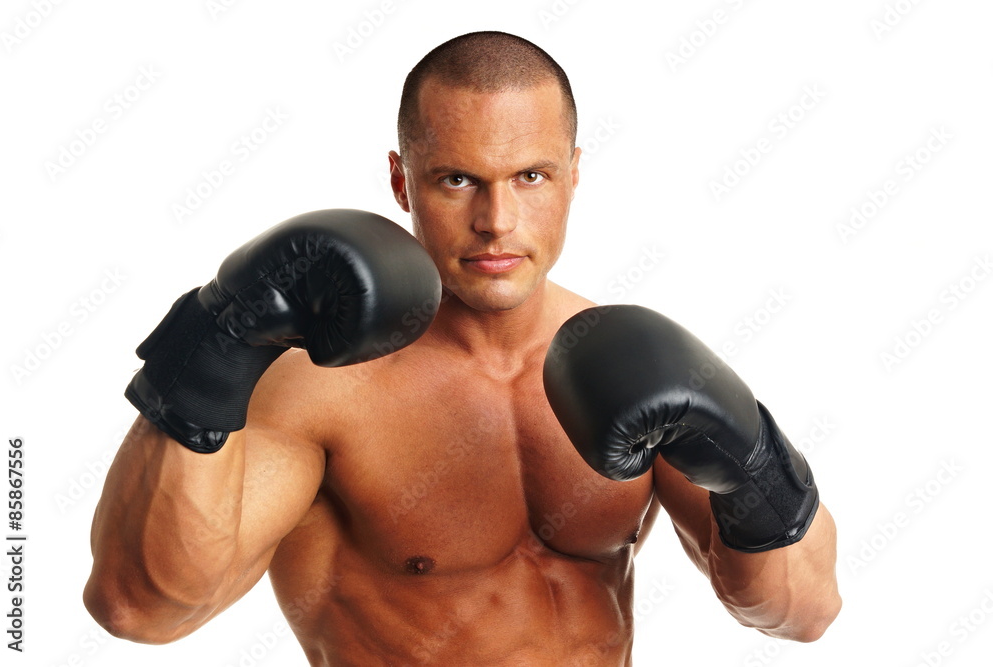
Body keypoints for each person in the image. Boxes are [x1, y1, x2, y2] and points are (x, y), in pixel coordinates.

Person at [84, 31, 841, 665]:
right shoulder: (318, 391)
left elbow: (802, 611)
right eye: (456, 179)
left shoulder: (635, 368)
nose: (497, 220)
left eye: (532, 176)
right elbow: (139, 606)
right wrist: (217, 336)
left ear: (574, 175)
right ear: (400, 181)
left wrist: (754, 462)